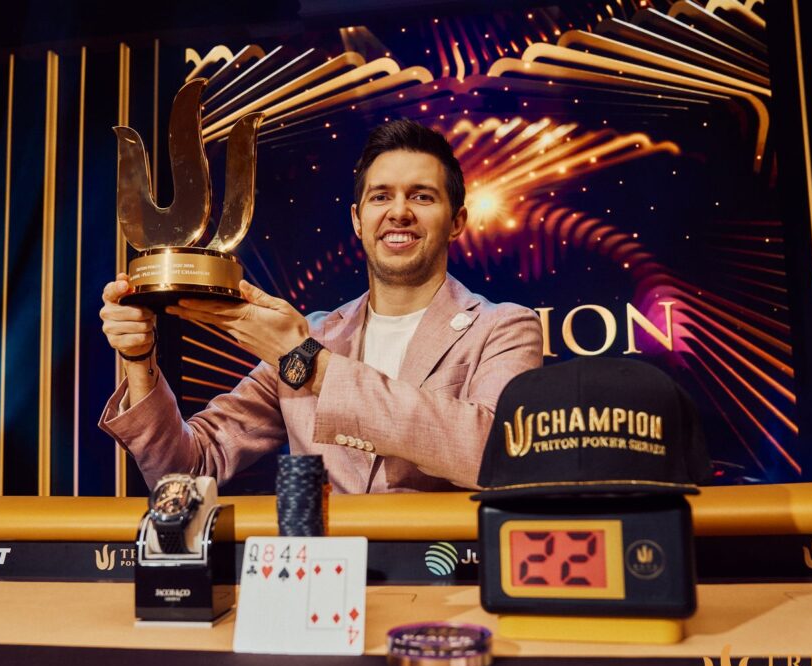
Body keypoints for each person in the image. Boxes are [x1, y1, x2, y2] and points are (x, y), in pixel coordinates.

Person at [99, 119, 543, 493]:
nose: (399, 212)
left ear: (457, 221)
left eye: (422, 196)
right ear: (357, 220)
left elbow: (495, 455)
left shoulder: (504, 327)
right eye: (381, 196)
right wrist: (140, 362)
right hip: (324, 569)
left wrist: (309, 363)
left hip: (440, 566)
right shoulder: (313, 335)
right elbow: (186, 471)